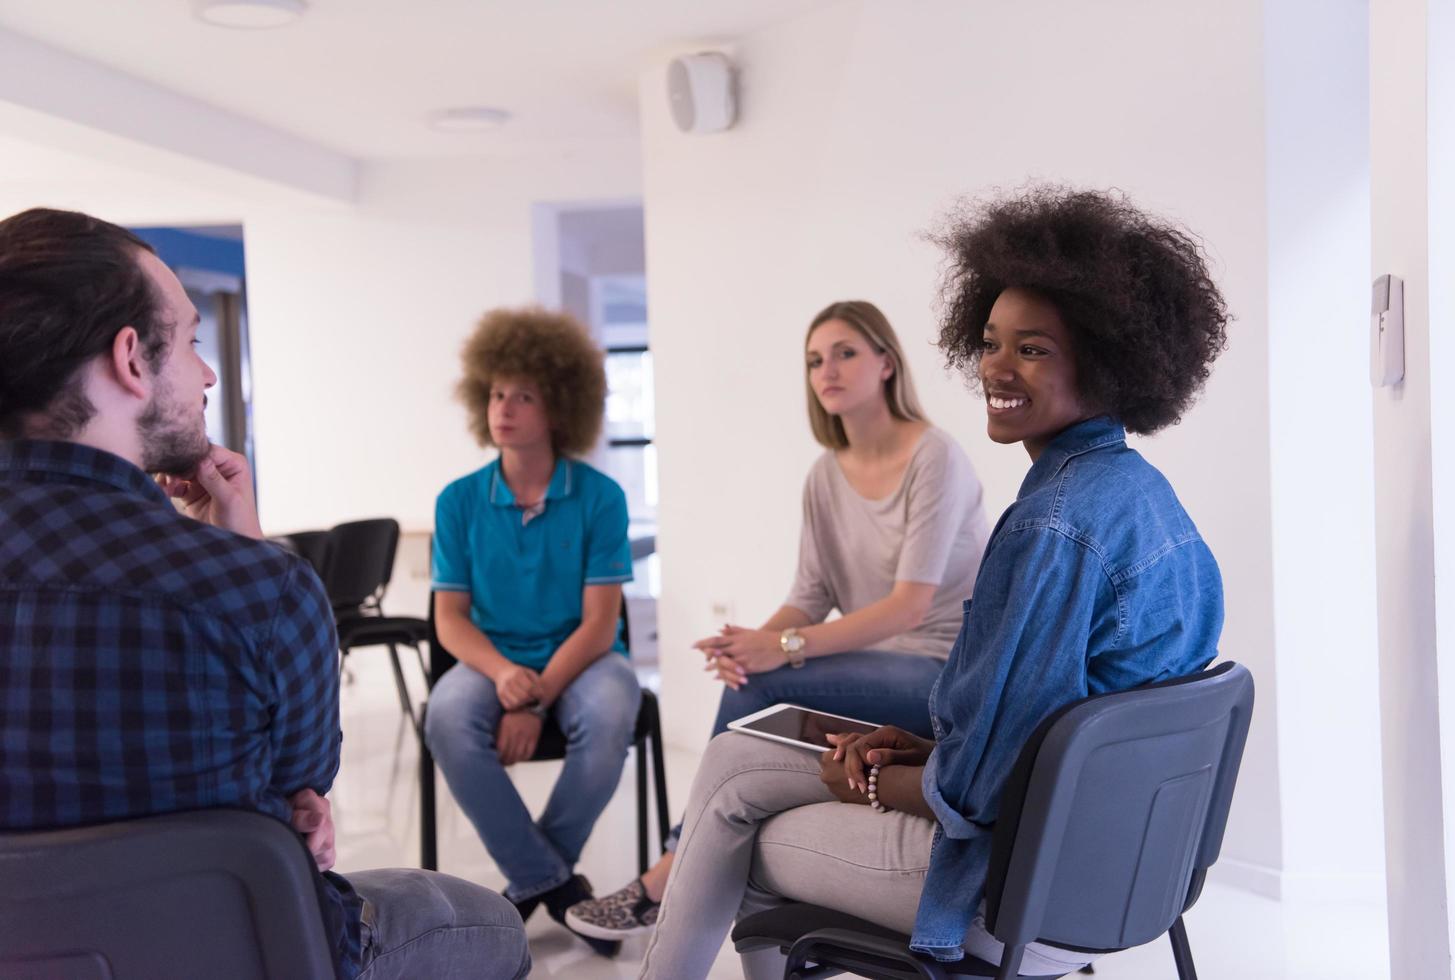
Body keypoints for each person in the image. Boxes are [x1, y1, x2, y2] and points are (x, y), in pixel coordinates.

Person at [636, 186, 1231, 979]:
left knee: (738, 817)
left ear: (1105, 357)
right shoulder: (1144, 499)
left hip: (1019, 894)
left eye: (1033, 348)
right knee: (737, 772)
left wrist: (880, 778)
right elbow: (1043, 736)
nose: (995, 366)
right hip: (1128, 878)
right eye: (989, 342)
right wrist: (918, 746)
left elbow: (980, 792)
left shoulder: (1048, 528)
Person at [0, 208, 530, 980]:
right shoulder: (255, 587)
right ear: (130, 361)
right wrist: (240, 546)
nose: (208, 374)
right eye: (189, 341)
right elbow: (300, 794)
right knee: (482, 921)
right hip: (239, 954)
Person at [567, 300, 989, 942]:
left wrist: (783, 650)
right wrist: (755, 643)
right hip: (879, 667)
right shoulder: (826, 474)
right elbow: (811, 593)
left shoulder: (935, 457)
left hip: (943, 673)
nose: (828, 369)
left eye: (846, 352)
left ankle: (672, 872)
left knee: (762, 686)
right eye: (815, 359)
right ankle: (723, 873)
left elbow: (907, 605)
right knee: (750, 681)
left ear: (886, 363)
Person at [424, 307, 643, 957]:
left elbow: (601, 624)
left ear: (559, 409)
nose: (505, 408)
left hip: (582, 657)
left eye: (524, 396)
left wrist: (537, 696)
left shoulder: (601, 497)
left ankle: (528, 877)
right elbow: (449, 620)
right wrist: (503, 678)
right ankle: (552, 880)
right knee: (444, 716)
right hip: (491, 656)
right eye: (496, 394)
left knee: (610, 711)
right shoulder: (457, 501)